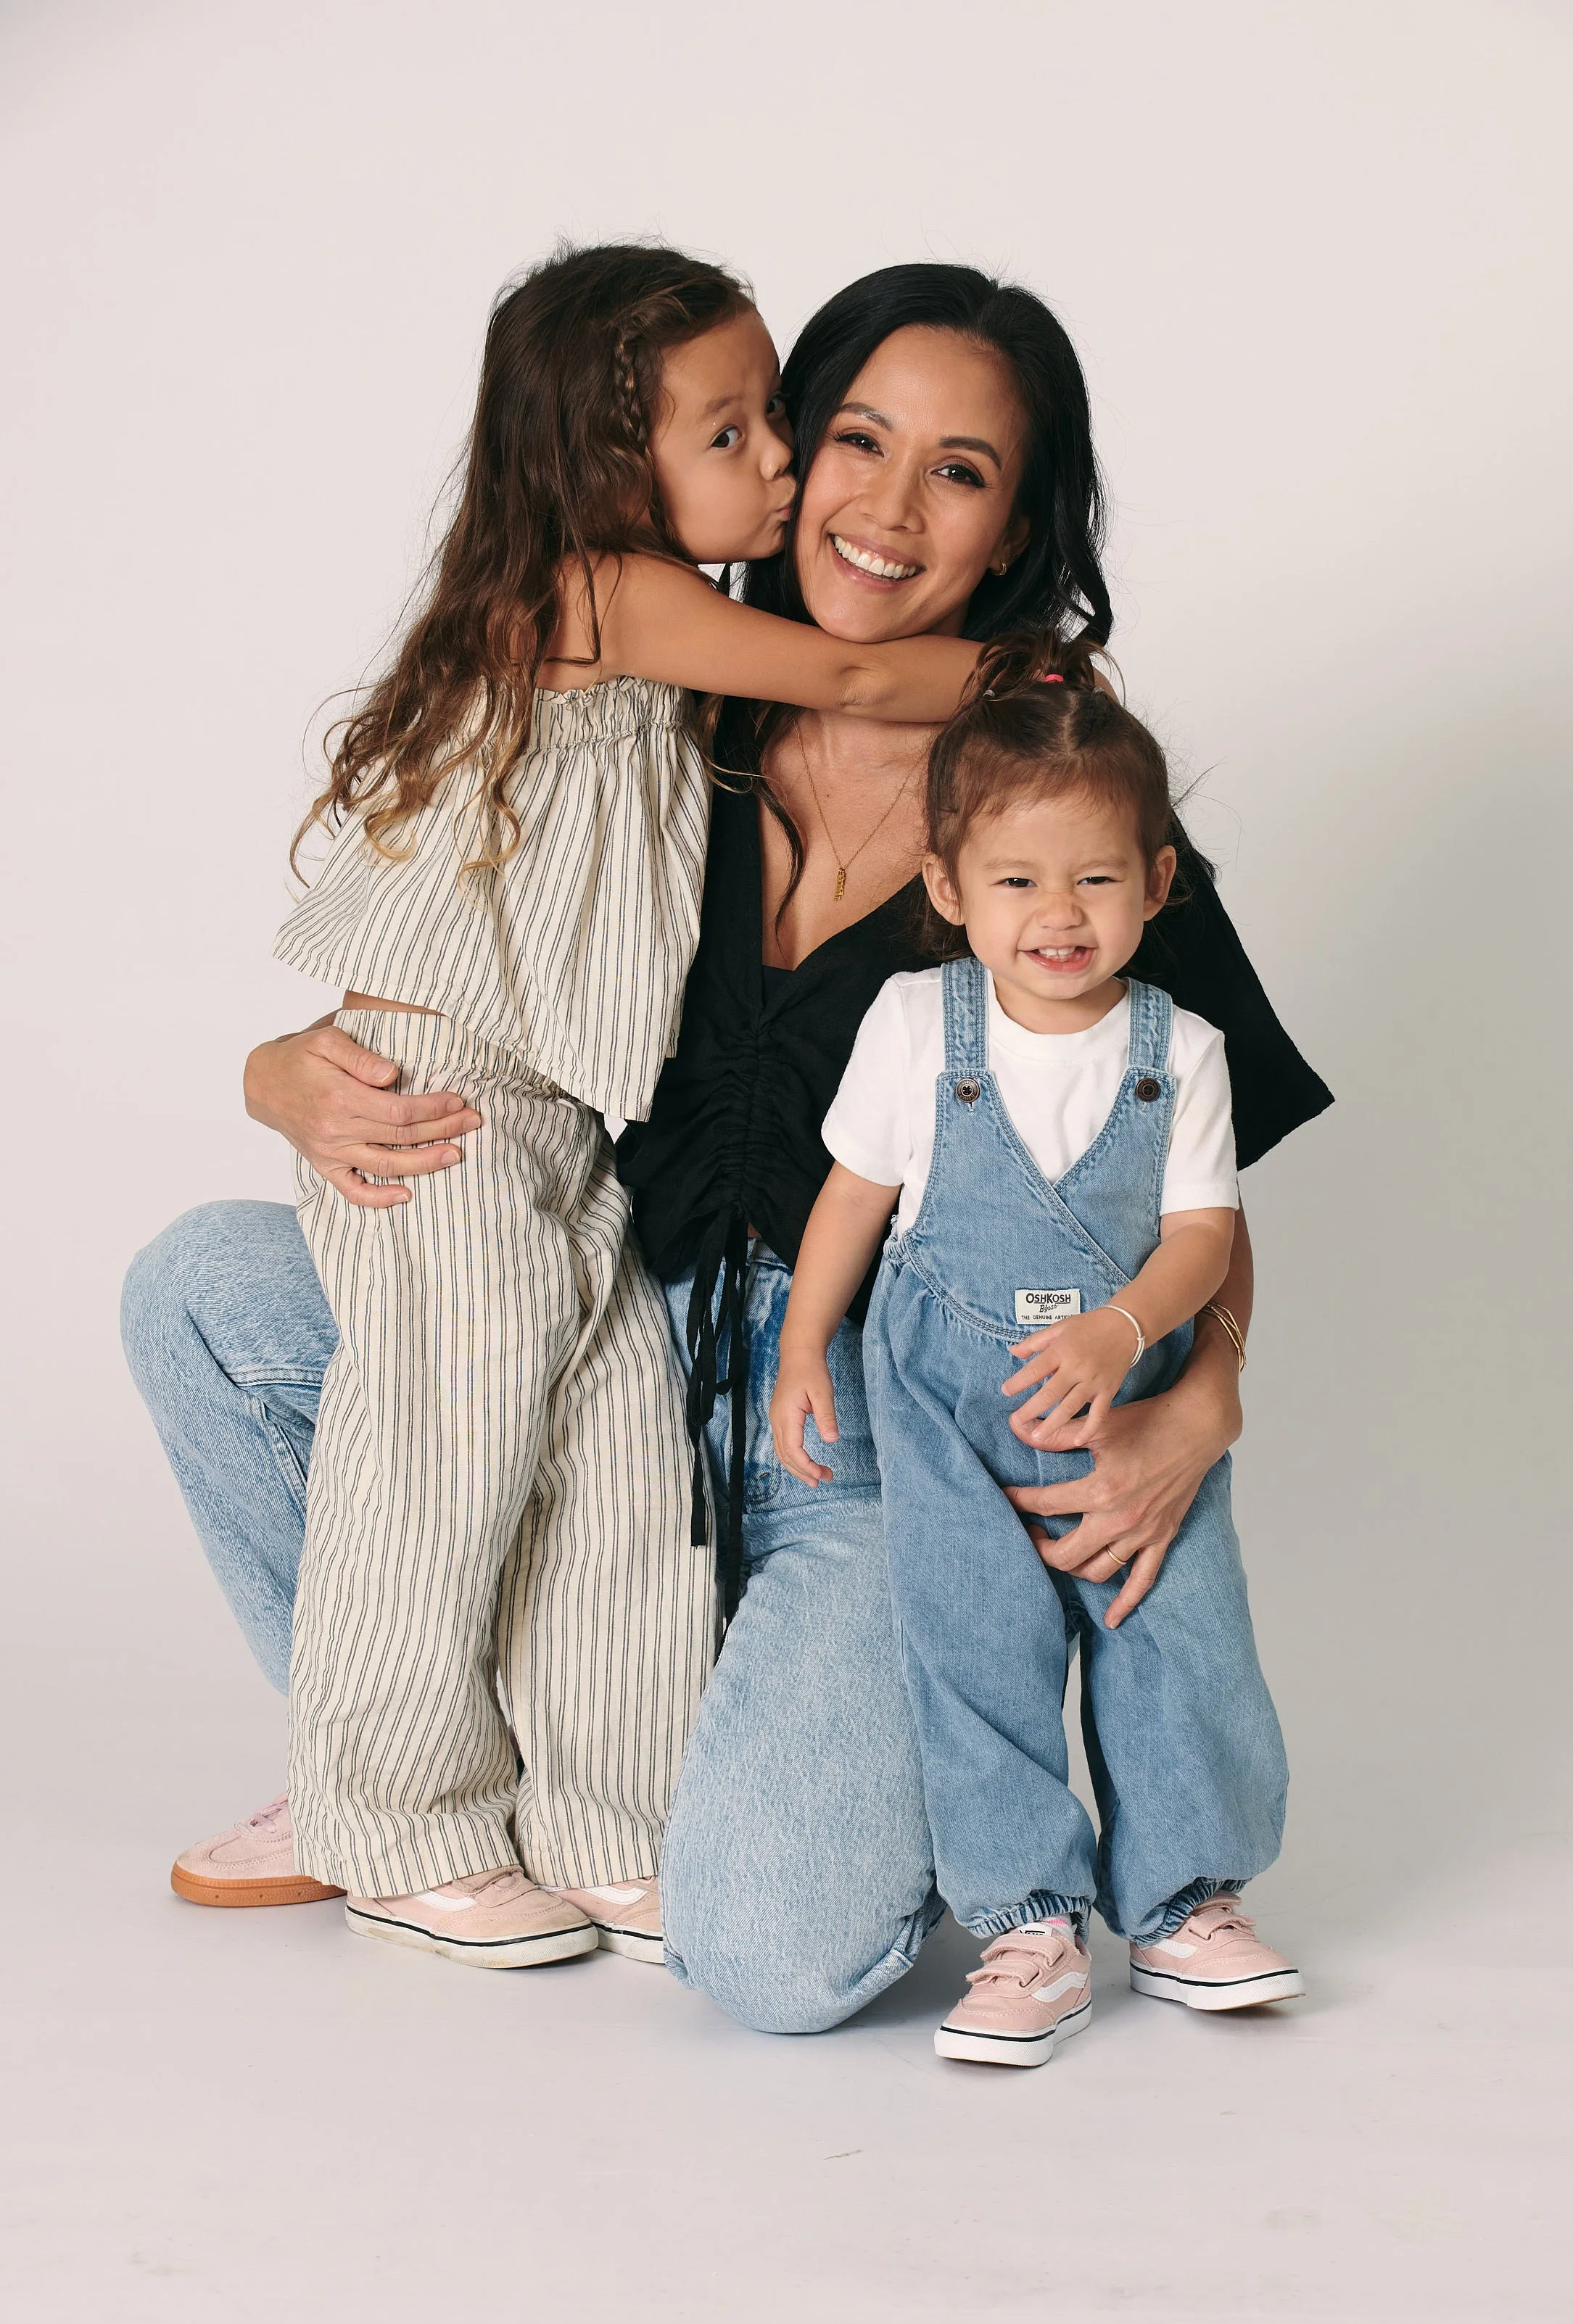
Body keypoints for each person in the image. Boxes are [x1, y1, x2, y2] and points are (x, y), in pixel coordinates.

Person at [122, 262, 1331, 2033]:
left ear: (1018, 520)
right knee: (202, 1295)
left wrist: (1205, 1392)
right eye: (854, 438)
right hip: (597, 1347)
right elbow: (451, 937)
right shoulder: (662, 714)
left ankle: (601, 1768)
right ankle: (387, 1766)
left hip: (860, 1451)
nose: (887, 507)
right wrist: (278, 1069)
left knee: (767, 1957)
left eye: (963, 471)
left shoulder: (1055, 815)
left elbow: (1189, 1152)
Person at [167, 240, 983, 1973]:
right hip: (453, 1094)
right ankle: (390, 1810)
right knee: (446, 1444)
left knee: (610, 1459)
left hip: (566, 1134)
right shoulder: (603, 597)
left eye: (779, 420)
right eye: (741, 430)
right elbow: (842, 677)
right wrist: (1033, 681)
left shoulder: (695, 665)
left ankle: (610, 1826)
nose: (777, 465)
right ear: (611, 469)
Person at [771, 657, 1301, 2067]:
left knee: (1173, 1633)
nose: (1056, 917)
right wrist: (803, 1345)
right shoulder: (912, 1024)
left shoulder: (1179, 1049)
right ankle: (1027, 1924)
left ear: (1158, 880)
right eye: (1015, 882)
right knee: (975, 1648)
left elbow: (1202, 1233)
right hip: (948, 1403)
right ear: (947, 886)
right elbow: (853, 1196)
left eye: (1094, 882)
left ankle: (1189, 1898)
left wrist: (1127, 1329)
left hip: (1126, 1393)